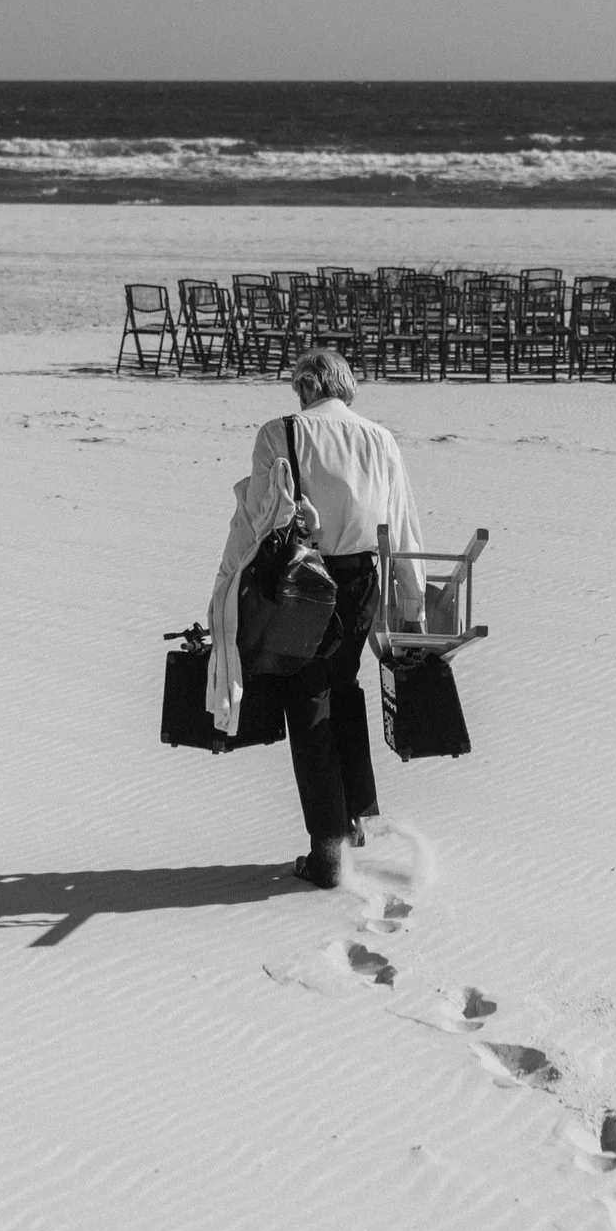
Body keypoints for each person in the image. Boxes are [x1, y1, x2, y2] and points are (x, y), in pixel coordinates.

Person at [206, 348, 425, 889]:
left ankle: (326, 851)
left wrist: (225, 592)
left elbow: (256, 521)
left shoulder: (279, 433)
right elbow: (401, 526)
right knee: (342, 687)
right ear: (344, 387)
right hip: (362, 582)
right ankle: (353, 821)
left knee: (306, 701)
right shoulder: (380, 439)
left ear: (304, 387)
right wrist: (412, 604)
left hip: (303, 582)